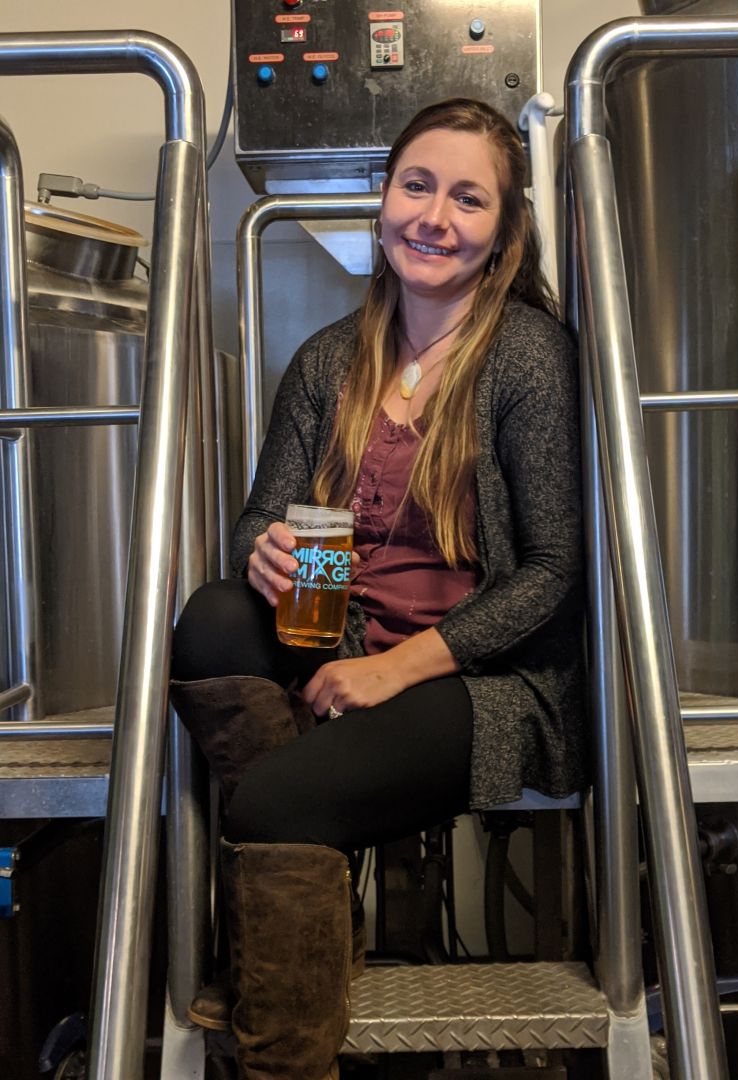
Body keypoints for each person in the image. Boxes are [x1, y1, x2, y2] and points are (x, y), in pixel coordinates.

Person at [170, 97, 586, 1080]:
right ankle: (312, 916)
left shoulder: (527, 356)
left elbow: (554, 572)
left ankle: (283, 1024)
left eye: (468, 199)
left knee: (270, 804)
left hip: (484, 681)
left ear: (505, 232)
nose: (434, 217)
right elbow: (258, 520)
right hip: (345, 639)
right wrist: (266, 554)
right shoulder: (330, 360)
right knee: (213, 619)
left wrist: (395, 672)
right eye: (416, 186)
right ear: (385, 199)